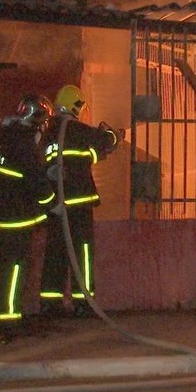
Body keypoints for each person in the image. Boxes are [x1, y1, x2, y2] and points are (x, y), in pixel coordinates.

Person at [40, 84, 123, 318]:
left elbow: (81, 158)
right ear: (76, 106)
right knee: (82, 251)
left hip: (56, 204)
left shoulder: (49, 132)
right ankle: (84, 302)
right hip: (79, 202)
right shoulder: (75, 129)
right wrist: (115, 135)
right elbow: (104, 140)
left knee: (55, 251)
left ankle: (50, 302)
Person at [0, 94, 56, 340]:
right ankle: (9, 321)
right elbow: (35, 179)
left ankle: (10, 315)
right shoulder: (24, 143)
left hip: (4, 214)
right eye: (43, 120)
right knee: (15, 268)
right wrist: (51, 203)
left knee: (9, 267)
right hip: (17, 217)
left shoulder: (7, 137)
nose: (44, 125)